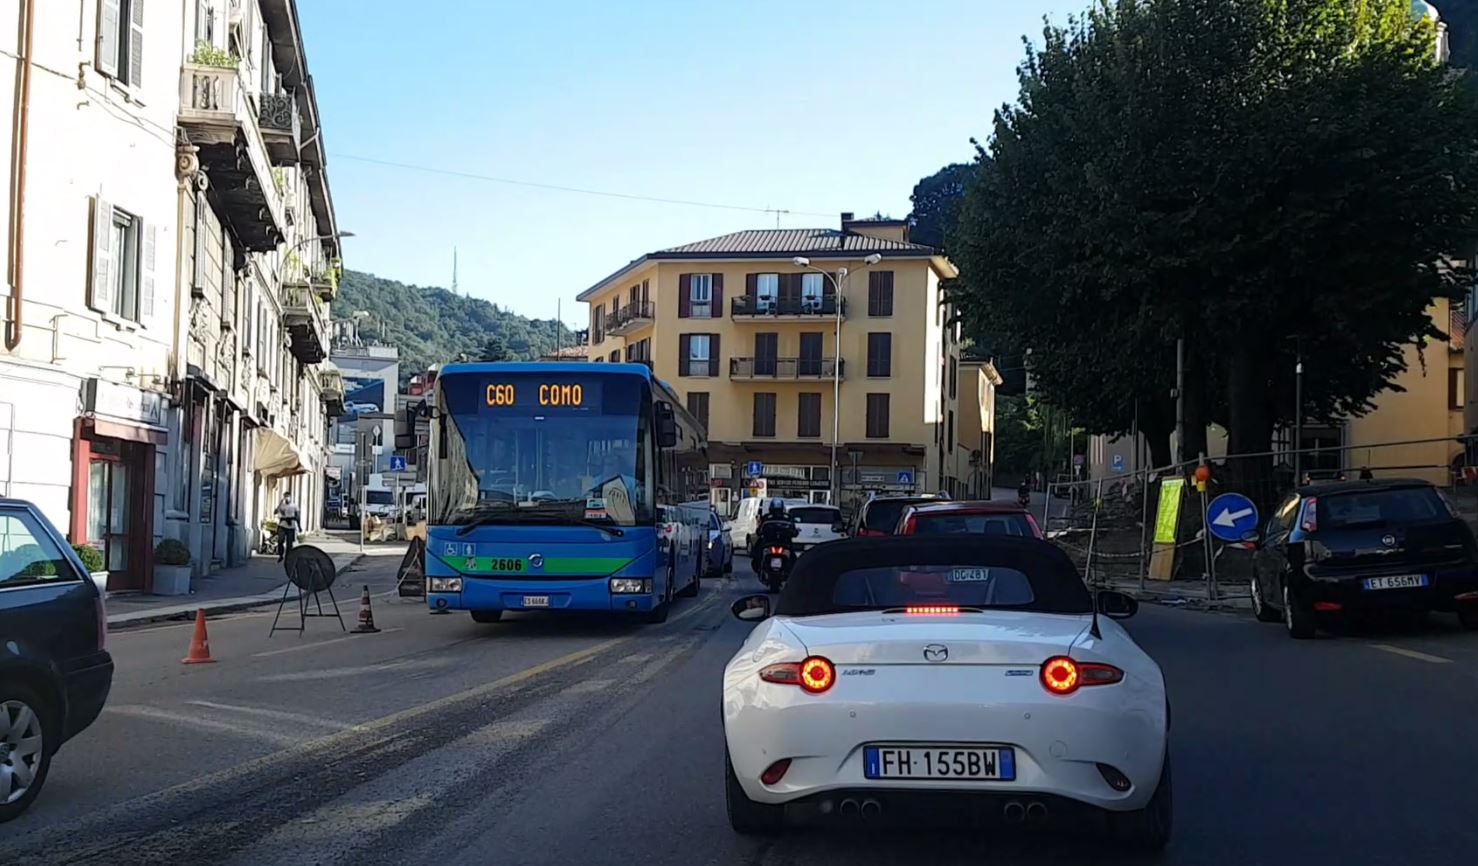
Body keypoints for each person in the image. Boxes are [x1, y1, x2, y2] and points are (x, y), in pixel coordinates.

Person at [752, 500, 798, 571]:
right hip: (782, 544)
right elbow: (794, 532)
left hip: (771, 543)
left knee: (757, 550)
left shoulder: (766, 518)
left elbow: (759, 531)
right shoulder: (787, 518)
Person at [275, 493, 300, 562]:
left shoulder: (294, 506)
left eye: (288, 497)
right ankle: (281, 554)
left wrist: (299, 526)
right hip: (282, 525)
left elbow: (298, 516)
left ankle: (288, 558)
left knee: (289, 544)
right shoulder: (282, 506)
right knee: (280, 540)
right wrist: (279, 504)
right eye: (285, 497)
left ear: (290, 497)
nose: (287, 498)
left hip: (291, 526)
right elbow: (275, 512)